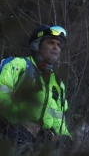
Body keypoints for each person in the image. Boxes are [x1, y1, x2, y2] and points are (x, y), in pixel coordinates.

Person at [0, 25, 72, 153]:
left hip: (41, 139)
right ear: (37, 45)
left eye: (58, 45)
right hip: (10, 130)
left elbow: (59, 119)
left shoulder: (57, 83)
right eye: (51, 43)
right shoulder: (19, 65)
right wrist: (21, 122)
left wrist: (64, 137)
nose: (56, 47)